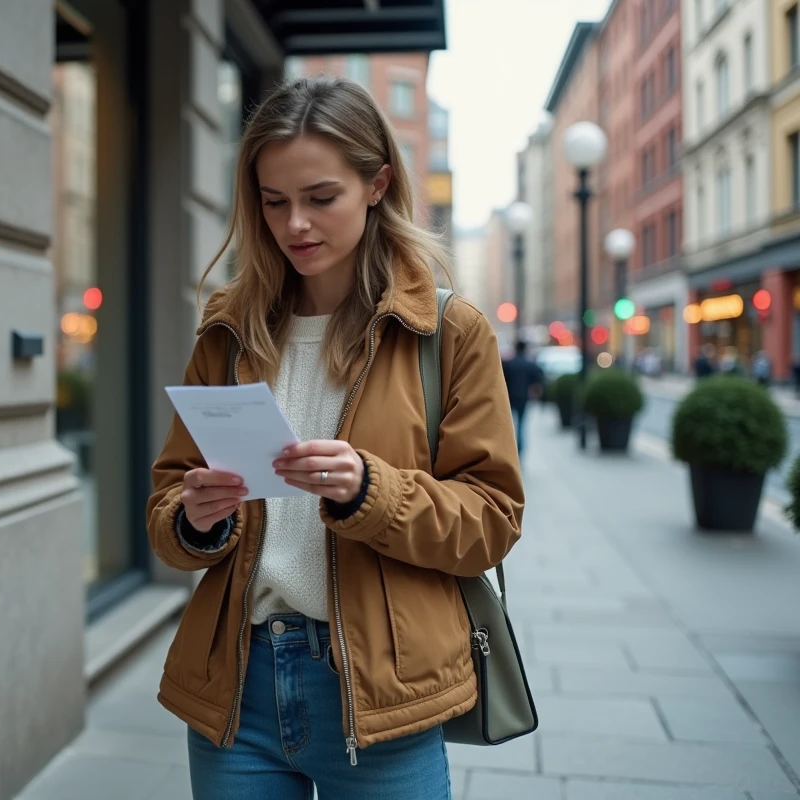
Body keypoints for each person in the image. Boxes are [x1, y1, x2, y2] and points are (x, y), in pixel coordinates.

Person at [145, 76, 525, 800]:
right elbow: (168, 509)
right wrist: (196, 519)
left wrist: (369, 491)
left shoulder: (446, 331)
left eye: (321, 198)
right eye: (274, 201)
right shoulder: (229, 329)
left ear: (377, 183)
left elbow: (492, 521)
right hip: (239, 687)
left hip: (381, 695)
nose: (295, 226)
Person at [501, 340, 544, 456]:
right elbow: (539, 377)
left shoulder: (509, 364)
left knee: (508, 424)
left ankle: (509, 447)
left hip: (509, 397)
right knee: (521, 423)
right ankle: (519, 449)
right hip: (524, 397)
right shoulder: (529, 364)